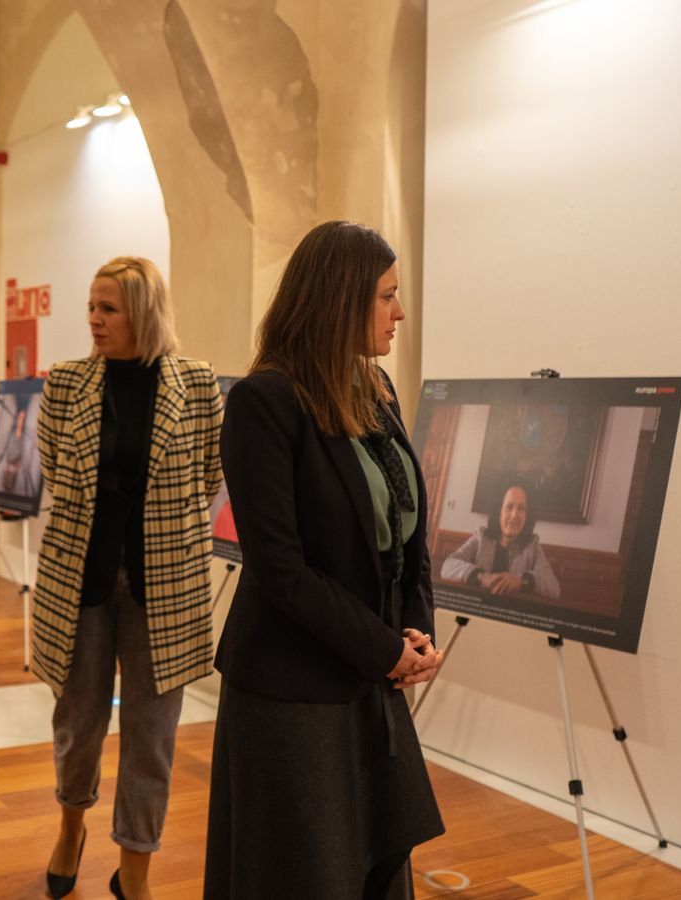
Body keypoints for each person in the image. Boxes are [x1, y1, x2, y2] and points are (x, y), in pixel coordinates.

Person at [205, 221, 445, 900]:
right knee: (305, 875)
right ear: (341, 299)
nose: (400, 312)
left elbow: (406, 534)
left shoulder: (377, 388)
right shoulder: (264, 402)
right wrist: (385, 650)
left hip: (371, 679)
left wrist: (416, 629)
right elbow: (280, 569)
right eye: (386, 297)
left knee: (374, 869)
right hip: (294, 691)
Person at [33, 257, 223, 900]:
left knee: (152, 737)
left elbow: (209, 474)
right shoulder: (66, 382)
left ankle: (135, 868)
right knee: (77, 721)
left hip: (165, 585)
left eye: (107, 308)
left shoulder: (197, 382)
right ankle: (70, 828)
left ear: (142, 312)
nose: (94, 318)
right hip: (79, 580)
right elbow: (55, 472)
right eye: (92, 306)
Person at [438, 480, 562, 599]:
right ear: (499, 511)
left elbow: (553, 587)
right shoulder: (481, 537)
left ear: (527, 516)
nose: (514, 515)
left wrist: (521, 581)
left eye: (521, 509)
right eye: (509, 507)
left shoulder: (532, 545)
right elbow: (448, 566)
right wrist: (481, 576)